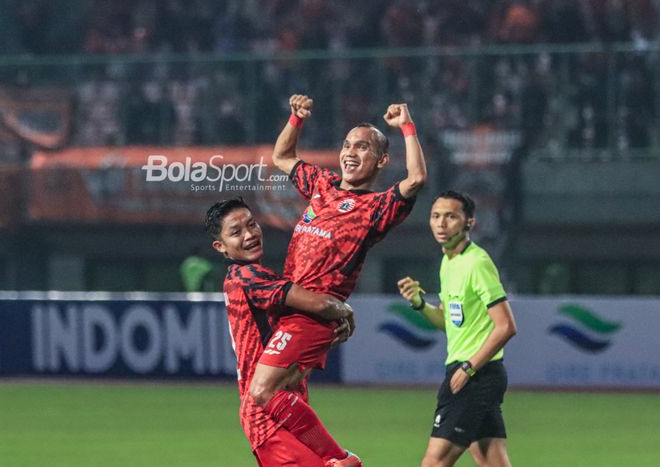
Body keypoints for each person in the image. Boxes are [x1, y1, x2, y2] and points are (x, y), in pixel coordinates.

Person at [252, 92, 427, 432]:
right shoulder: (323, 184)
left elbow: (417, 179)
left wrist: (406, 126)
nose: (350, 152)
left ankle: (338, 458)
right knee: (283, 409)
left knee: (261, 392)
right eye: (348, 145)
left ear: (381, 161)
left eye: (362, 147)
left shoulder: (376, 208)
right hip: (288, 307)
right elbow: (282, 155)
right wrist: (296, 119)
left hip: (315, 313)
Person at [205, 197, 360, 467]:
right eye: (236, 231)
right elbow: (321, 303)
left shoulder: (248, 277)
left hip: (281, 409)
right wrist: (345, 311)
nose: (250, 234)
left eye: (252, 224)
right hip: (268, 415)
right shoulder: (248, 276)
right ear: (221, 247)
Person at [397, 190, 518, 467]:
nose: (441, 223)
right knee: (493, 462)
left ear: (469, 223)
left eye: (451, 216)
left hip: (474, 375)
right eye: (436, 216)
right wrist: (419, 304)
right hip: (474, 373)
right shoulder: (448, 262)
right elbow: (449, 323)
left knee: (434, 462)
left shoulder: (477, 263)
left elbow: (506, 326)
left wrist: (469, 368)